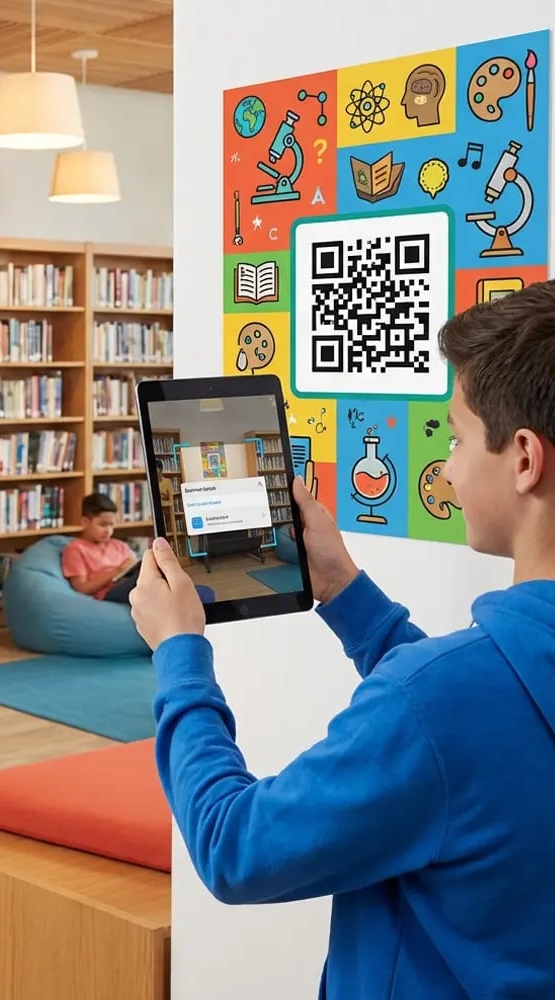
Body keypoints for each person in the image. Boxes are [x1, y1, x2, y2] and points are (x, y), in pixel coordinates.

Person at [128, 280, 555, 998]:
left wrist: (180, 657)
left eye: (454, 435)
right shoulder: (460, 698)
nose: (446, 466)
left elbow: (236, 846)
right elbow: (485, 723)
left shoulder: (436, 702)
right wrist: (345, 590)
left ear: (523, 458)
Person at [61, 492, 139, 603]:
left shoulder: (120, 546)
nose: (108, 531)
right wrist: (117, 571)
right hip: (109, 593)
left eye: (111, 525)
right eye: (103, 525)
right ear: (85, 522)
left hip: (129, 584)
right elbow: (82, 588)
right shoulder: (75, 549)